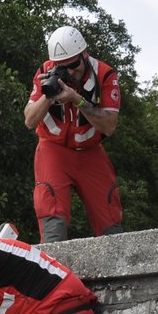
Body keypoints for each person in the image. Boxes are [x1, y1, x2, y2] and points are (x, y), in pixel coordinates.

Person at [23, 25, 123, 243]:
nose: (69, 72)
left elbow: (109, 126)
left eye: (74, 65)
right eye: (62, 67)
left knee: (109, 215)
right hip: (53, 149)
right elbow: (30, 120)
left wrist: (76, 99)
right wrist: (49, 95)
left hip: (90, 151)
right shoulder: (45, 72)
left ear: (85, 55)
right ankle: (53, 272)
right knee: (51, 213)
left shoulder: (105, 74)